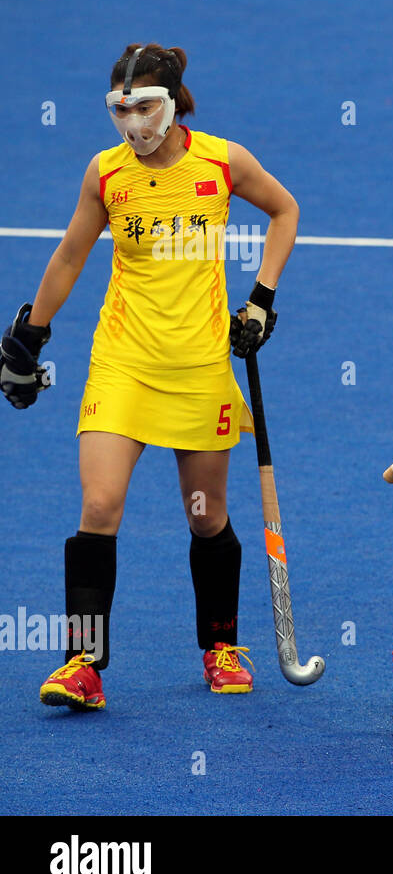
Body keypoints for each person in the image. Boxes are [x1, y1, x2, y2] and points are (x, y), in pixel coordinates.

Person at [1, 43, 298, 710]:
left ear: (174, 101)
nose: (133, 122)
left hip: (199, 368)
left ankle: (220, 644)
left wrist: (261, 300)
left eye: (145, 105)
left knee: (206, 517)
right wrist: (30, 334)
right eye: (120, 108)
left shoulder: (222, 161)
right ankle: (82, 661)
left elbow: (285, 211)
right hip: (124, 361)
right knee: (99, 508)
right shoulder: (106, 174)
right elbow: (72, 255)